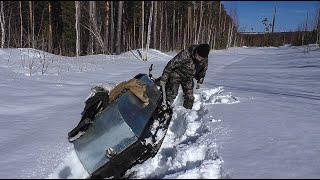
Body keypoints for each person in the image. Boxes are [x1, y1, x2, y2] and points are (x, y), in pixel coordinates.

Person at [158, 43, 210, 109]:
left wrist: (200, 81)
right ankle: (165, 108)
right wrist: (164, 78)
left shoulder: (204, 58)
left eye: (202, 58)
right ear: (196, 52)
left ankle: (186, 113)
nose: (200, 59)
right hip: (177, 74)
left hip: (188, 78)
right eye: (199, 57)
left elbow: (203, 70)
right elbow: (171, 64)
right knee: (172, 92)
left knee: (190, 97)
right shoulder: (186, 54)